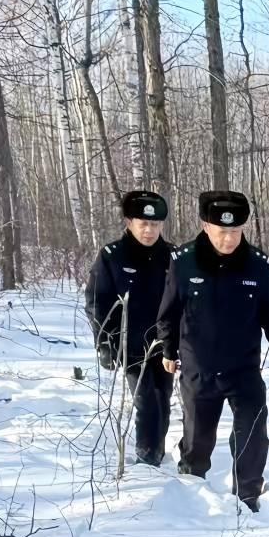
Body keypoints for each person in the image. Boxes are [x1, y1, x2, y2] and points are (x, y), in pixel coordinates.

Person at [157, 190, 269, 512]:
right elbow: (169, 312)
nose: (228, 239)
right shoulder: (184, 261)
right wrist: (168, 349)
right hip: (198, 368)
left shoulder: (258, 265)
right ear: (206, 226)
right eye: (221, 231)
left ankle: (248, 495)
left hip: (243, 368)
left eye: (235, 231)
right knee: (198, 438)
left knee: (252, 435)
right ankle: (192, 490)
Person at [85, 190, 175, 466]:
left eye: (155, 225)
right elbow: (97, 302)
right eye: (143, 224)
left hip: (165, 345)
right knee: (146, 401)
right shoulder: (112, 256)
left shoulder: (172, 256)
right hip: (131, 345)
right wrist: (104, 343)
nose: (149, 230)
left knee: (162, 400)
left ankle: (157, 454)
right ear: (129, 222)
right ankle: (146, 459)